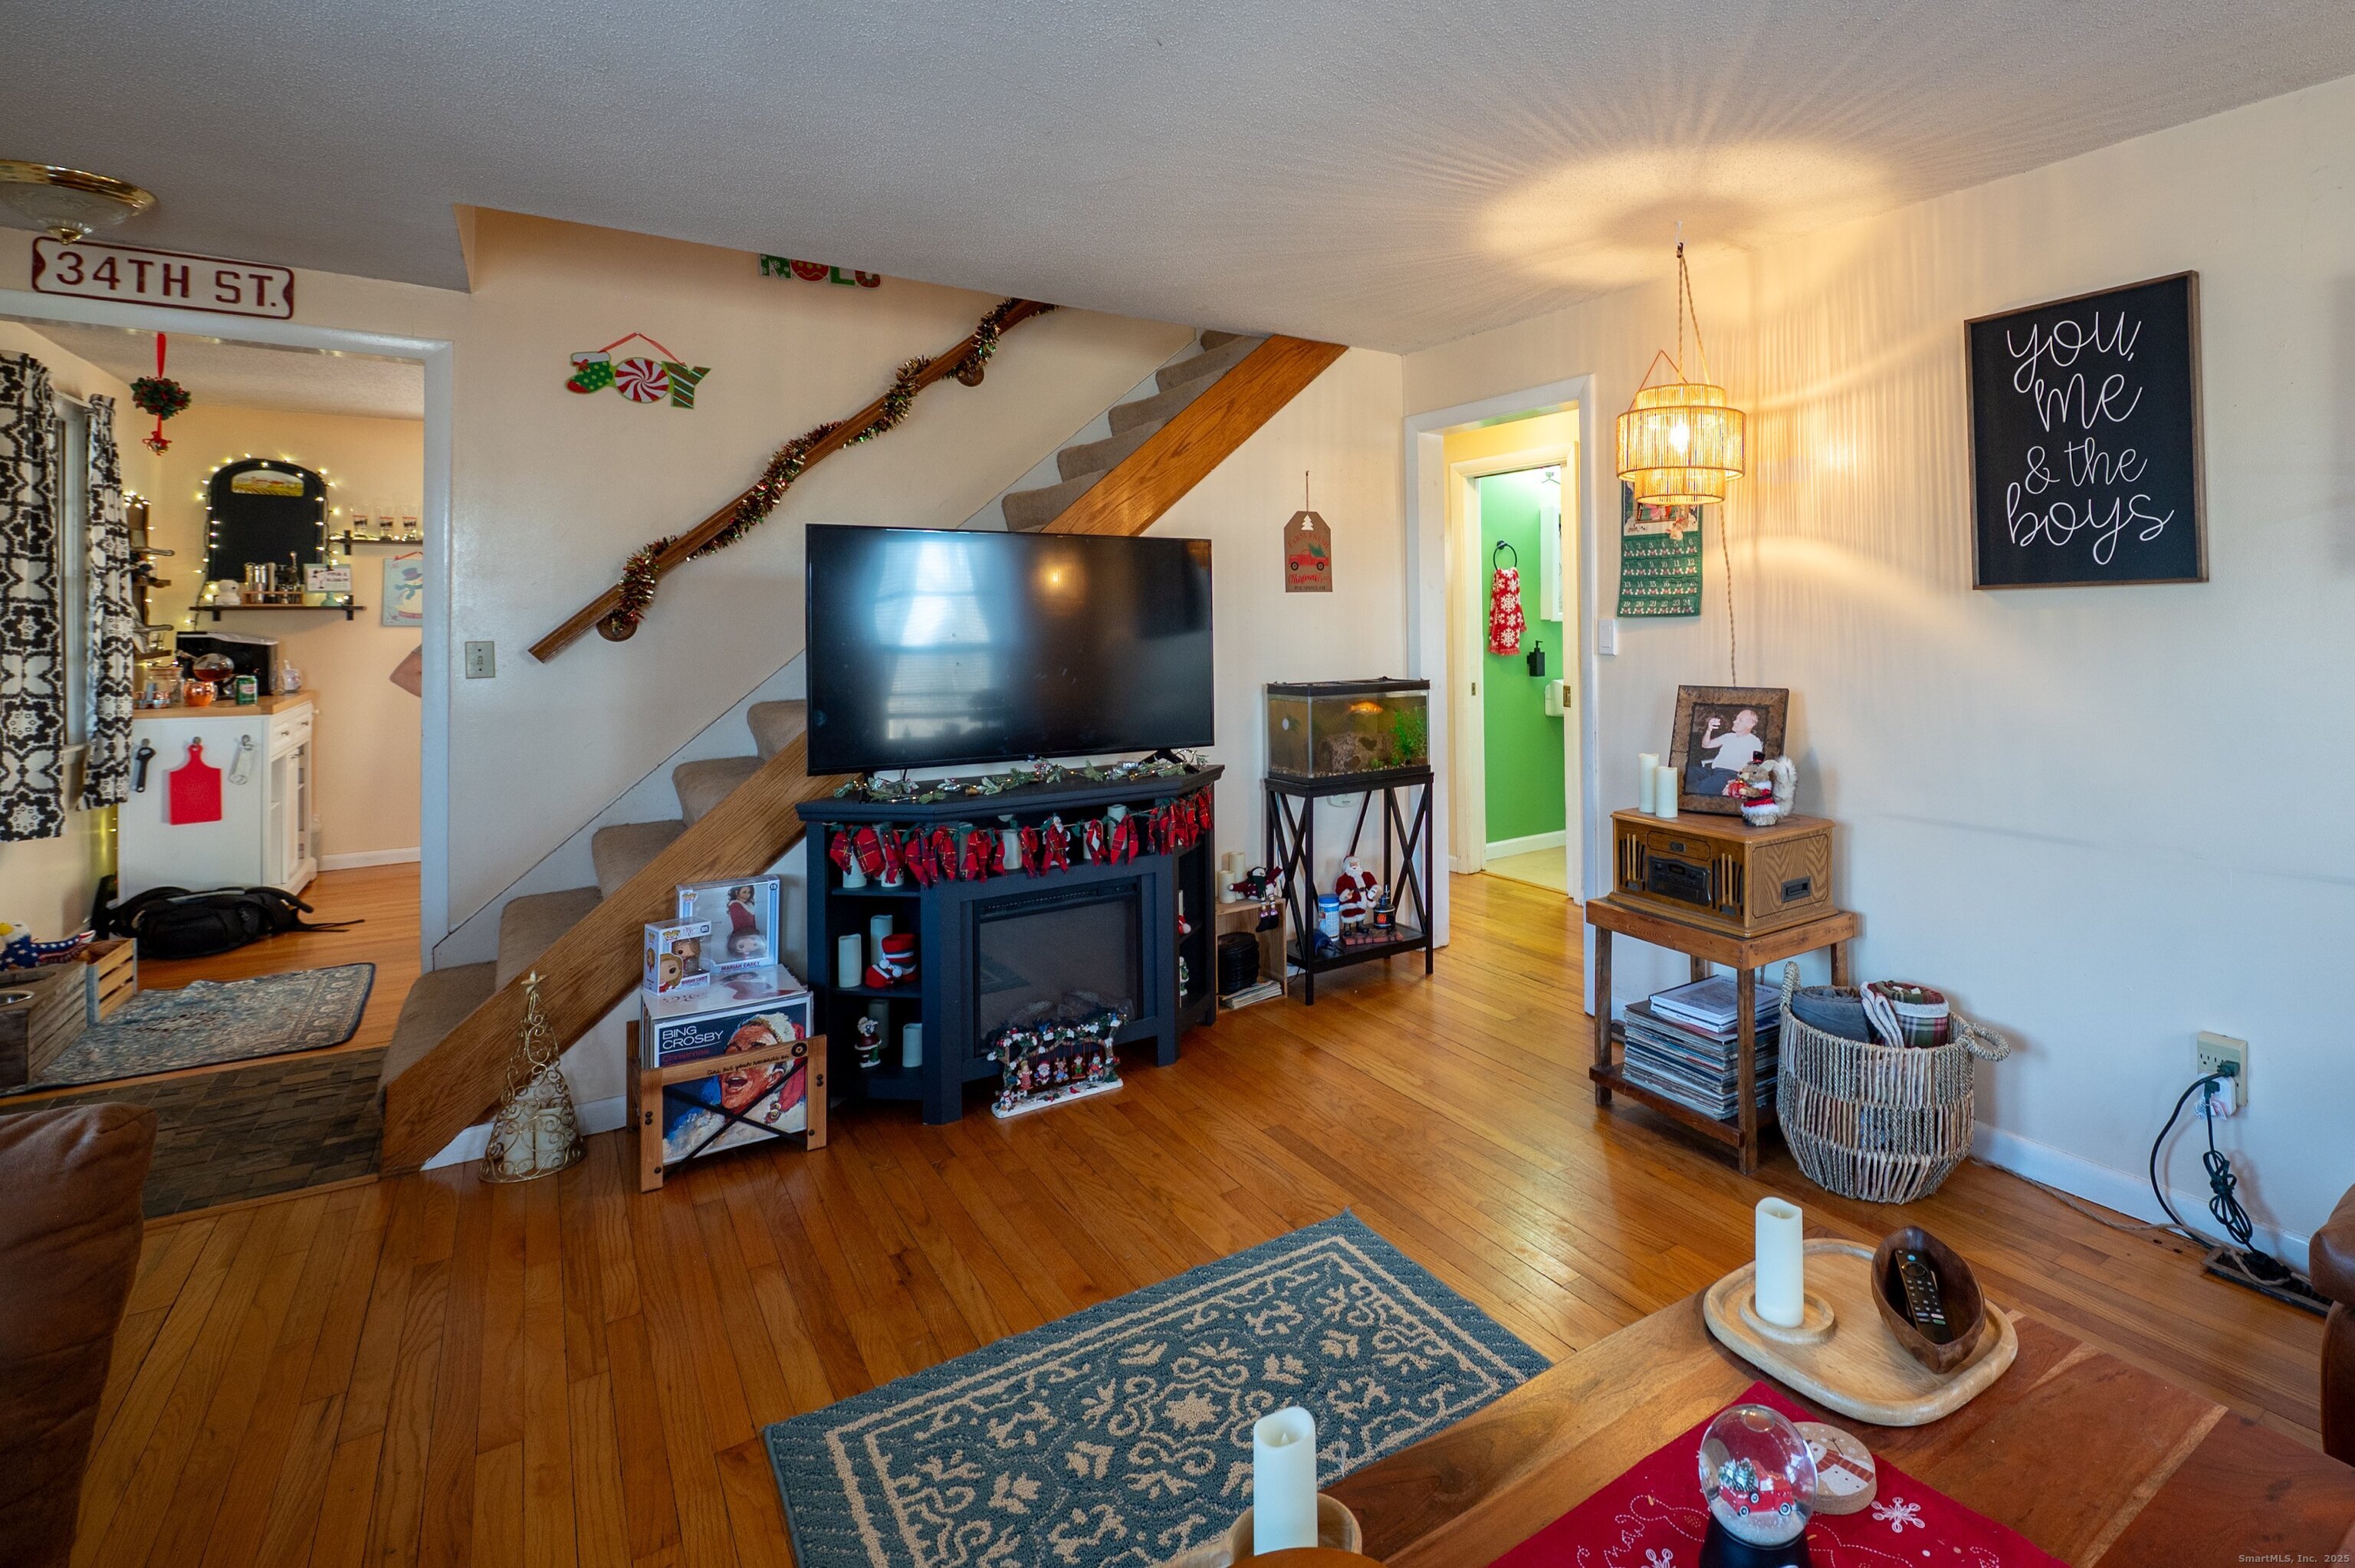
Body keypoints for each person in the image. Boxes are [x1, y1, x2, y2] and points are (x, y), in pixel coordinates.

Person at [663, 1015, 806, 1160]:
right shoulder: (697, 1124)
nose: (736, 1065)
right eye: (732, 1054)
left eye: (754, 1055)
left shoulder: (790, 1121)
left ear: (774, 1078)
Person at [1690, 708, 1764, 796]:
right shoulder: (1728, 736)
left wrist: (1737, 783)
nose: (1734, 722)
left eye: (1739, 720)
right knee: (1688, 773)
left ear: (1750, 724)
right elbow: (1706, 745)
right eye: (1736, 719)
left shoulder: (1754, 742)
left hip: (1730, 775)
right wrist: (1709, 730)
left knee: (1704, 788)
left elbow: (1756, 767)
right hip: (1713, 771)